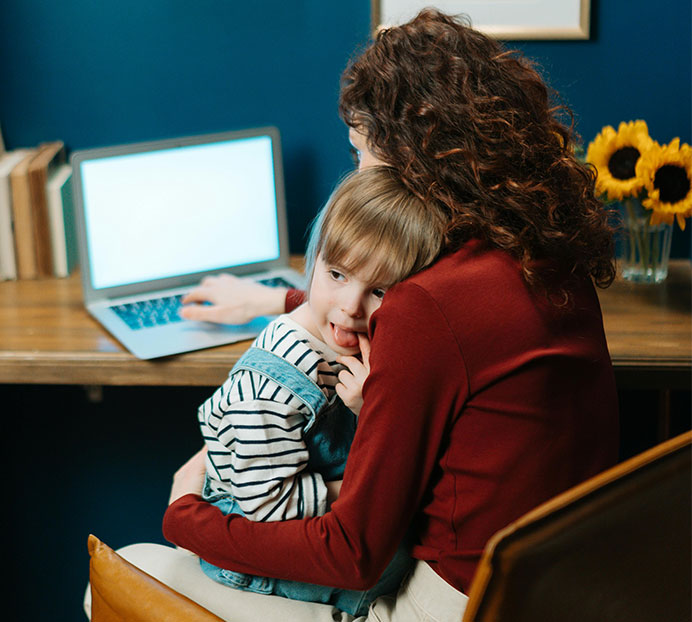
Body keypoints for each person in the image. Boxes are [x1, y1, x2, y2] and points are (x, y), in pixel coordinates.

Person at [96, 9, 619, 621]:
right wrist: (283, 300)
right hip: (567, 583)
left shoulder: (428, 305)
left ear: (420, 158)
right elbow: (460, 344)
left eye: (362, 155)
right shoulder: (543, 250)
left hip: (455, 605)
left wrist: (187, 518)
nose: (358, 176)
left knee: (130, 563)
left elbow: (352, 554)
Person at [193, 165, 447, 616]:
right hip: (256, 552)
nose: (351, 307)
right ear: (315, 259)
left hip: (312, 526)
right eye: (336, 274)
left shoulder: (362, 347)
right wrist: (357, 485)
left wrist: (369, 408)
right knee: (394, 564)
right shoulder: (270, 386)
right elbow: (269, 506)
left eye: (381, 291)